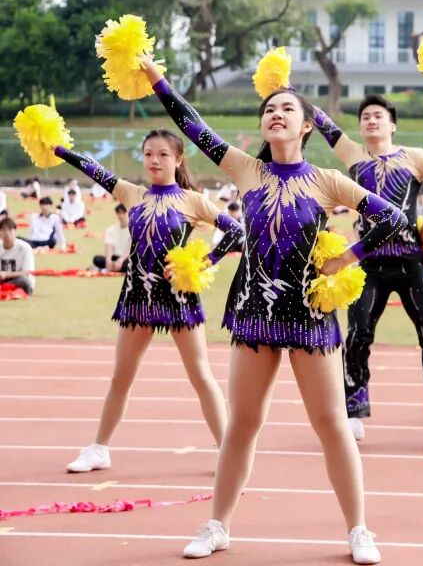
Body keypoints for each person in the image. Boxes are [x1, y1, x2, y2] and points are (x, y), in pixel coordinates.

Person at [142, 58, 405, 563]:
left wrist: (347, 257)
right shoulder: (247, 169)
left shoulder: (328, 180)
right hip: (254, 311)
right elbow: (192, 125)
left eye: (287, 108)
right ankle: (218, 525)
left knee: (331, 423)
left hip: (309, 314)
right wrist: (157, 79)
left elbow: (392, 218)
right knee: (242, 423)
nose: (276, 114)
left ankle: (359, 530)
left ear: (307, 125)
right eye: (269, 109)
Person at [46, 130, 243, 476]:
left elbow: (237, 231)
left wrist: (203, 263)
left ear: (178, 159)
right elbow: (93, 169)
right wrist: (59, 149)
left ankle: (228, 452)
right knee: (120, 377)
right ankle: (99, 449)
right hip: (137, 297)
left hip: (179, 298)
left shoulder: (193, 201)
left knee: (201, 376)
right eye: (149, 153)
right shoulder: (133, 194)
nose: (155, 160)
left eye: (163, 154)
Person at [311, 95, 423, 448]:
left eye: (378, 116)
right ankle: (353, 413)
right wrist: (287, 90)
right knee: (357, 335)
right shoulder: (352, 154)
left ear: (392, 124)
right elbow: (323, 123)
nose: (371, 120)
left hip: (411, 263)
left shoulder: (416, 157)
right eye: (365, 116)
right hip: (368, 265)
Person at [0, 217, 35, 295]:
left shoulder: (25, 248)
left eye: (10, 230)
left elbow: (28, 272)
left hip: (18, 279)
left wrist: (7, 274)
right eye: (4, 230)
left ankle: (4, 288)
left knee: (24, 282)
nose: (7, 233)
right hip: (2, 279)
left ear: (15, 231)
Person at [92, 204, 131, 273]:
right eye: (119, 213)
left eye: (123, 213)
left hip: (126, 258)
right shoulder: (111, 229)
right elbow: (108, 245)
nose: (121, 216)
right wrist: (108, 260)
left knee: (132, 264)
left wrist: (121, 260)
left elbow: (131, 248)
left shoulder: (133, 230)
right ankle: (112, 267)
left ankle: (105, 269)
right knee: (96, 259)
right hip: (114, 257)